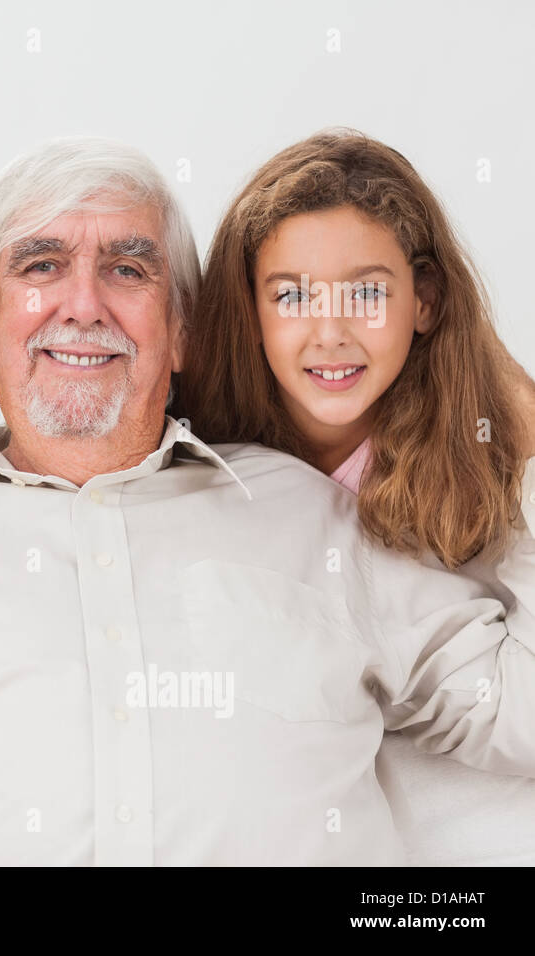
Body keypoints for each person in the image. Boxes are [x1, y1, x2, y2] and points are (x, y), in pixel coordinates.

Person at [0, 136, 535, 865]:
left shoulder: (316, 515)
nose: (83, 305)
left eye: (127, 268)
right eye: (42, 265)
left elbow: (519, 714)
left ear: (183, 327)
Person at [173, 128, 535, 864]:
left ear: (424, 300)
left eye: (368, 291)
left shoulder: (492, 462)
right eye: (292, 295)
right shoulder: (195, 450)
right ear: (250, 308)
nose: (329, 333)